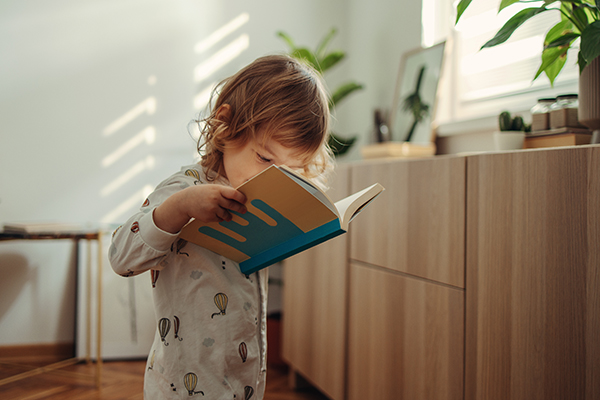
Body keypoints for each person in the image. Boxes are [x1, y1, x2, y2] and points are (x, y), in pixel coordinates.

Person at [109, 54, 333, 400]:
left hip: (242, 381)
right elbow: (121, 256)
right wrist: (180, 208)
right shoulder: (185, 187)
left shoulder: (257, 199)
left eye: (290, 170)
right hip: (181, 386)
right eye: (266, 159)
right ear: (225, 125)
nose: (271, 178)